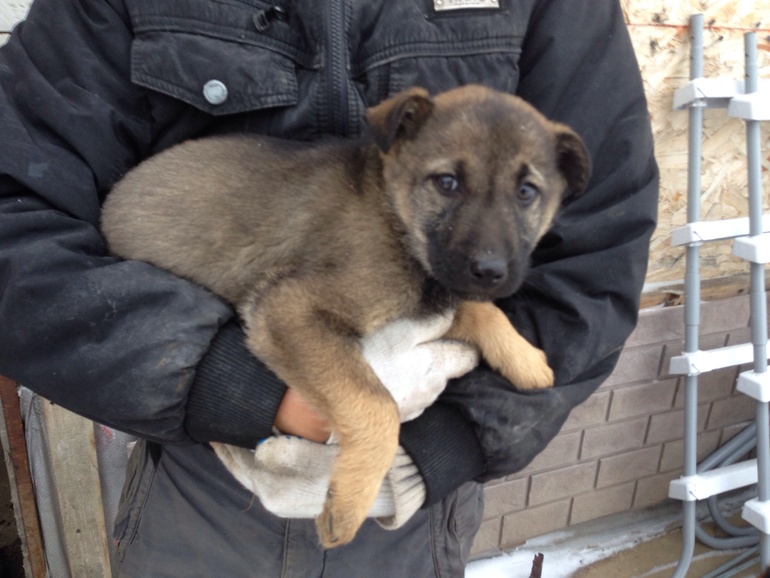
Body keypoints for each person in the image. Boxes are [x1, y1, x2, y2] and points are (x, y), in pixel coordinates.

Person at [0, 0, 659, 576]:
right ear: (397, 148)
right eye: (448, 184)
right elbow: (21, 219)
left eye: (525, 193)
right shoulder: (374, 233)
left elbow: (603, 244)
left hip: (415, 504)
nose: (489, 248)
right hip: (205, 475)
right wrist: (251, 395)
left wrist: (449, 442)